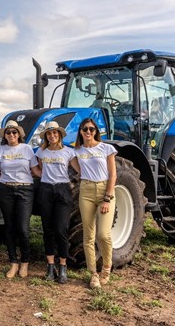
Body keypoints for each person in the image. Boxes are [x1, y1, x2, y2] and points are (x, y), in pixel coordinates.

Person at [0, 120, 41, 279]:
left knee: (23, 228)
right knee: (9, 227)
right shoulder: (1, 150)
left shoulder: (27, 149)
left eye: (14, 132)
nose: (11, 135)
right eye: (8, 132)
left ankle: (25, 262)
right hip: (6, 189)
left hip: (25, 189)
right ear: (4, 135)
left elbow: (35, 170)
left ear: (19, 134)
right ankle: (13, 262)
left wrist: (56, 175)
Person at [74, 118, 117, 289]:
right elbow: (70, 162)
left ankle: (106, 267)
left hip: (104, 190)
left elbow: (113, 175)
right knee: (88, 235)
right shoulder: (77, 150)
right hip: (86, 191)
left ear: (96, 131)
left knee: (103, 234)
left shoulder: (106, 148)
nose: (88, 131)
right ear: (81, 131)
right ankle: (93, 274)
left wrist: (107, 197)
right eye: (85, 129)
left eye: (91, 129)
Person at [35, 121, 79, 284]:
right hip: (46, 190)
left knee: (61, 229)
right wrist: (46, 179)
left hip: (63, 190)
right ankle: (50, 266)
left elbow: (78, 169)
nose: (52, 136)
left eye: (55, 133)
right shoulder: (42, 152)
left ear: (59, 134)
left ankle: (62, 266)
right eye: (49, 133)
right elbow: (38, 169)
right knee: (47, 229)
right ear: (46, 136)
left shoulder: (69, 152)